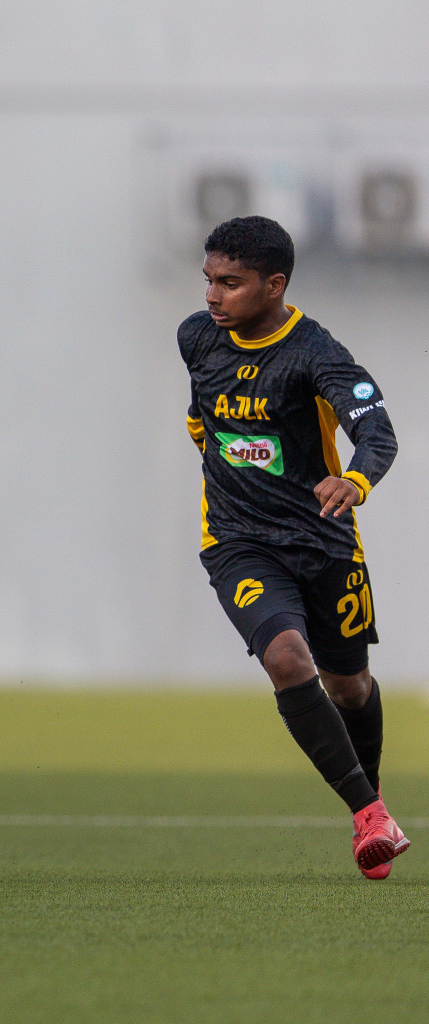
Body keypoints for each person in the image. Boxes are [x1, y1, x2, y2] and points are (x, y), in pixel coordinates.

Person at [182, 215, 407, 878]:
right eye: (209, 281)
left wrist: (354, 479)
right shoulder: (196, 339)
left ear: (274, 285)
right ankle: (368, 816)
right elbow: (204, 417)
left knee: (349, 684)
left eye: (231, 282)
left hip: (324, 542)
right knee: (286, 657)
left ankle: (373, 804)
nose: (213, 297)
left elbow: (380, 433)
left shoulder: (316, 353)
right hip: (237, 542)